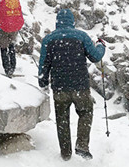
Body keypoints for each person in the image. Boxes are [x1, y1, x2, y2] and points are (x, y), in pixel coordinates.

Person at [38, 9, 106, 161]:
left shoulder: (48, 40)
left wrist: (42, 82)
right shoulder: (81, 36)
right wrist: (101, 46)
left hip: (59, 88)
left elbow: (43, 65)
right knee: (86, 112)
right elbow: (95, 56)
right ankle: (82, 144)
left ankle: (65, 153)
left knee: (62, 119)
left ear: (57, 22)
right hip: (80, 85)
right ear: (72, 22)